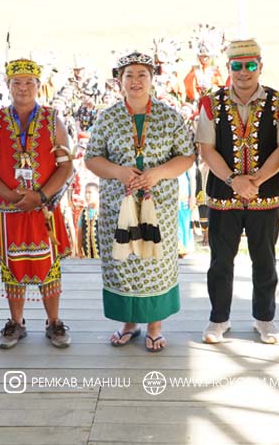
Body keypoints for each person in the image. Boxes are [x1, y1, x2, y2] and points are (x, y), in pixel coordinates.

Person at [85, 52, 196, 352]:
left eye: (142, 75)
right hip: (118, 204)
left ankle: (155, 326)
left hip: (158, 205)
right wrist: (119, 172)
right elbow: (92, 158)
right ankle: (129, 323)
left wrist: (157, 174)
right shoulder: (107, 118)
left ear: (152, 79)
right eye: (129, 75)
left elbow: (186, 156)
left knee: (154, 261)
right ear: (119, 81)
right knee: (123, 261)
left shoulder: (169, 116)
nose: (136, 81)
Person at [197, 39, 279, 345]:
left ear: (260, 66)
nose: (244, 72)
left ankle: (264, 319)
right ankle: (218, 319)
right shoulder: (210, 103)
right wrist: (234, 181)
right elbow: (206, 149)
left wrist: (256, 180)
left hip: (265, 196)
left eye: (250, 65)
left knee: (265, 260)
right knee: (220, 261)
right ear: (228, 68)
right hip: (223, 195)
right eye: (237, 66)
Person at [0, 58, 74, 349]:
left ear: (38, 86)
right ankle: (16, 323)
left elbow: (66, 167)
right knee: (12, 268)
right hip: (10, 210)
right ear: (8, 86)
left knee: (49, 266)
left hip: (44, 209)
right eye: (16, 82)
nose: (23, 88)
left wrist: (40, 196)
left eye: (29, 82)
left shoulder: (52, 120)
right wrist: (8, 195)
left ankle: (54, 322)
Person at [79, 182, 101, 258]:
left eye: (90, 192)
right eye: (85, 193)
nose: (87, 195)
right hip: (87, 253)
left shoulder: (103, 211)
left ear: (97, 194)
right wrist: (79, 249)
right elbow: (80, 232)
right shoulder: (83, 212)